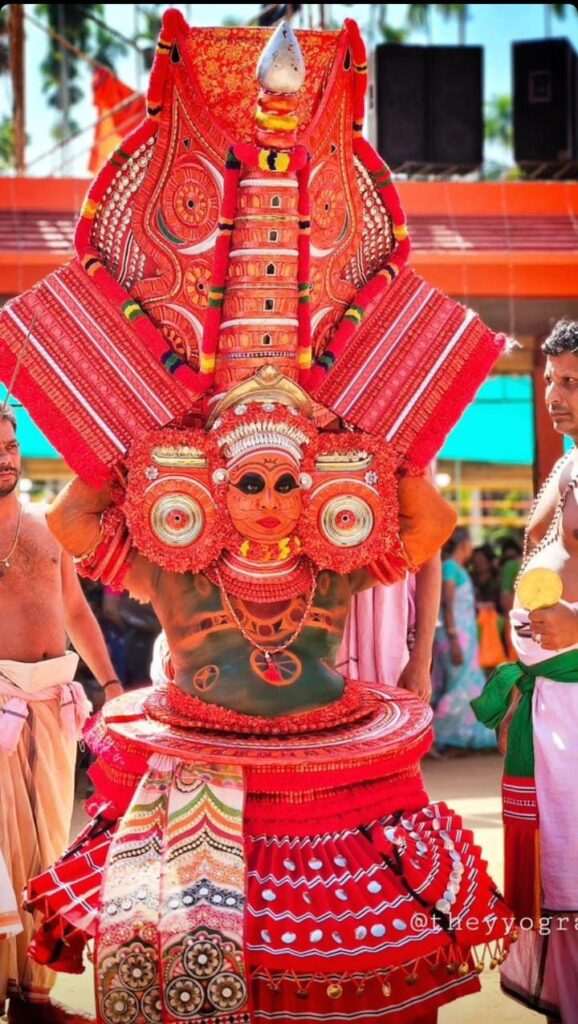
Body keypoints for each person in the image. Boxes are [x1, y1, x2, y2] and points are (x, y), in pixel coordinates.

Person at [0, 408, 123, 1024]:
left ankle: (33, 994)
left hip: (53, 708)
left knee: (49, 847)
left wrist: (111, 683)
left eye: (9, 445)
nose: (4, 458)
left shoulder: (47, 530)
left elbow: (76, 610)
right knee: (0, 852)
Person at [474, 319, 578, 1021]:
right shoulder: (567, 466)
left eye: (571, 381)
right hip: (549, 711)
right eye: (549, 379)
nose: (554, 395)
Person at [433, 528, 497, 752]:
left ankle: (460, 735)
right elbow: (447, 604)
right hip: (456, 637)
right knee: (459, 686)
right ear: (464, 544)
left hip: (462, 637)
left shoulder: (455, 568)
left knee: (464, 684)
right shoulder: (450, 567)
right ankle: (439, 733)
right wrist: (453, 637)